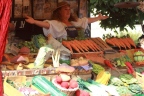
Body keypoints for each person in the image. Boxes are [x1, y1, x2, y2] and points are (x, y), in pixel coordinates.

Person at [24, 1, 109, 39]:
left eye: (69, 9)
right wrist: (34, 21)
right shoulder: (56, 23)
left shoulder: (73, 22)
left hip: (75, 48)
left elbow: (85, 20)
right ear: (59, 12)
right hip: (62, 51)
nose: (68, 11)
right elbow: (47, 25)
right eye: (65, 9)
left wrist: (98, 18)